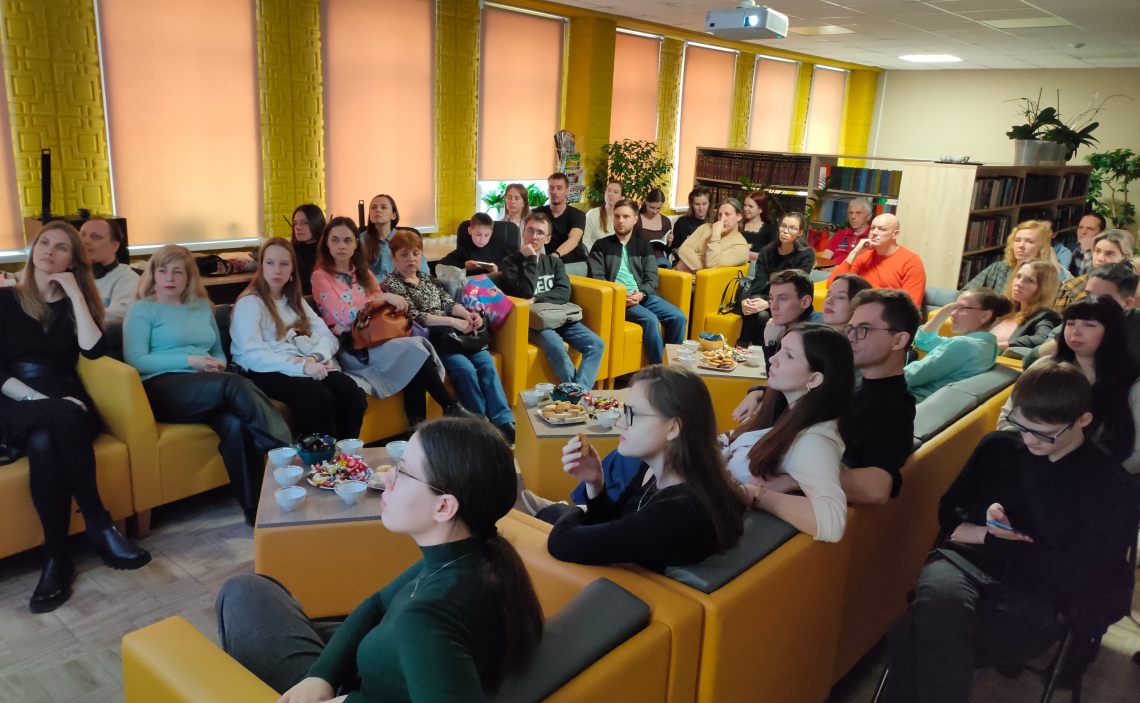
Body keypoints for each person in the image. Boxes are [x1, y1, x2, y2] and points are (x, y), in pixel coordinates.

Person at [216, 418, 545, 700]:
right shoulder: (470, 554)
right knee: (254, 588)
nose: (385, 477)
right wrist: (321, 675)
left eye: (402, 471)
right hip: (356, 679)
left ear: (444, 506)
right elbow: (376, 605)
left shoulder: (428, 619)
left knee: (241, 593)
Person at [886, 361, 1139, 703]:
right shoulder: (999, 448)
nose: (1029, 440)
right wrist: (986, 516)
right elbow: (950, 510)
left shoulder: (1112, 486)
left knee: (909, 633)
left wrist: (986, 537)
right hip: (965, 566)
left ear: (1083, 420)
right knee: (940, 599)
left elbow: (1080, 574)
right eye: (1022, 426)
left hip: (1037, 595)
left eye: (1045, 433)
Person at [1, 222, 151, 613]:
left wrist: (75, 294)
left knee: (44, 441)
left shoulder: (74, 302)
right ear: (33, 250)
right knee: (64, 417)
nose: (49, 251)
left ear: (72, 261)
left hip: (65, 392)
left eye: (61, 247)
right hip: (17, 398)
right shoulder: (5, 299)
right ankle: (99, 525)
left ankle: (57, 558)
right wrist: (40, 400)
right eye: (44, 243)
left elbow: (93, 351)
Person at [124, 245, 292, 526]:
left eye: (178, 271)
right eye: (163, 270)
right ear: (152, 274)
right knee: (234, 385)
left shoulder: (202, 306)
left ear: (189, 276)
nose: (170, 277)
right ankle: (286, 453)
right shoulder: (142, 309)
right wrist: (190, 361)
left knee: (236, 424)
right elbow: (136, 360)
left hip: (205, 384)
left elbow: (216, 350)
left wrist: (218, 364)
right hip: (162, 387)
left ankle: (255, 512)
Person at [543, 365, 745, 572]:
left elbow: (561, 542)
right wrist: (595, 483)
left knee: (549, 516)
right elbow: (616, 523)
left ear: (673, 428)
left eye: (633, 414)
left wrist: (580, 509)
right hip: (619, 572)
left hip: (622, 587)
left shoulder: (677, 514)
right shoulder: (656, 472)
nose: (621, 422)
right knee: (548, 511)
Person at [734, 288, 919, 506]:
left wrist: (794, 481)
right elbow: (808, 392)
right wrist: (759, 391)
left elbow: (877, 487)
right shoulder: (857, 385)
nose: (851, 337)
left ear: (899, 340)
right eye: (850, 328)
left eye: (864, 329)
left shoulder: (892, 406)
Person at [311, 218, 466, 429]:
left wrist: (370, 308)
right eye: (335, 240)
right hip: (352, 346)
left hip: (379, 337)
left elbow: (384, 308)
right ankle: (447, 407)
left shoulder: (364, 273)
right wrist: (375, 303)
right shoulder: (320, 277)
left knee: (413, 354)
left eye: (347, 240)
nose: (341, 246)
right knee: (414, 349)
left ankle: (419, 428)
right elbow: (342, 315)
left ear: (356, 243)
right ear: (327, 243)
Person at [382, 230, 516, 442]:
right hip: (433, 341)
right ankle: (480, 426)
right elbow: (414, 317)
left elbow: (448, 303)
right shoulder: (392, 284)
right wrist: (453, 322)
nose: (411, 259)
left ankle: (504, 420)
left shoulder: (428, 279)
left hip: (454, 335)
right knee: (465, 369)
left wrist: (468, 315)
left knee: (486, 363)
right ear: (393, 258)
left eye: (416, 253)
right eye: (404, 254)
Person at [723, 324, 852, 542]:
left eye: (789, 356)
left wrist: (756, 495)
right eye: (780, 349)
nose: (773, 359)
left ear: (814, 379)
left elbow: (833, 520)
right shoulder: (791, 409)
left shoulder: (814, 440)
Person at [230, 238, 367, 441]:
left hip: (301, 362)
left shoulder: (295, 301)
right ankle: (319, 457)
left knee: (351, 392)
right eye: (270, 263)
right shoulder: (250, 302)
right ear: (262, 266)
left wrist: (313, 358)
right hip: (262, 369)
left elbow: (329, 338)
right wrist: (302, 366)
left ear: (292, 268)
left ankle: (345, 454)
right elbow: (253, 355)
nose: (277, 270)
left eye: (284, 264)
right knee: (317, 396)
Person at [1000, 295, 1140, 473]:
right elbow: (1007, 419)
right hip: (1034, 465)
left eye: (1089, 325)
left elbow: (1137, 454)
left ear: (1112, 331)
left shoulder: (1133, 382)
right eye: (1071, 323)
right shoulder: (1044, 368)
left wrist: (1088, 476)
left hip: (1099, 475)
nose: (1075, 331)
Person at [494, 212, 605, 390]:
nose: (534, 236)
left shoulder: (554, 263)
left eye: (540, 232)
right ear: (523, 232)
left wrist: (537, 298)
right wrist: (531, 259)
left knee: (596, 344)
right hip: (533, 322)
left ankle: (577, 393)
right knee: (557, 347)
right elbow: (526, 290)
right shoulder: (511, 263)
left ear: (547, 239)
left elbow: (564, 293)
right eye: (530, 230)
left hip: (558, 316)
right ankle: (579, 395)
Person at [588, 199, 687, 365]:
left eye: (626, 216)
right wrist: (620, 295)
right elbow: (597, 277)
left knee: (678, 317)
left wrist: (642, 293)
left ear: (635, 219)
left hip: (643, 295)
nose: (620, 221)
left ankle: (672, 367)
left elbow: (652, 276)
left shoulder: (643, 246)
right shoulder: (601, 246)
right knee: (650, 320)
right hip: (618, 299)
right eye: (617, 216)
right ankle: (657, 370)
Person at [904, 289, 1009, 401]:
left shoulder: (962, 345)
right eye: (954, 307)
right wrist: (944, 312)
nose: (953, 313)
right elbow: (923, 341)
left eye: (963, 308)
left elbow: (911, 376)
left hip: (910, 401)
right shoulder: (989, 346)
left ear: (985, 315)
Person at [826, 213, 926, 306]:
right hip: (859, 311)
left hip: (890, 315)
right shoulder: (863, 256)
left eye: (882, 229)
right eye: (873, 228)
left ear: (895, 234)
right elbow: (832, 285)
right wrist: (854, 253)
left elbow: (911, 307)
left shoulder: (911, 261)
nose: (874, 233)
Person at [740, 212, 816, 322]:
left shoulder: (806, 254)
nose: (785, 231)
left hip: (790, 301)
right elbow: (759, 282)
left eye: (792, 228)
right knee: (752, 309)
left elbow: (794, 287)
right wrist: (747, 300)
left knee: (761, 315)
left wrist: (769, 302)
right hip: (766, 296)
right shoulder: (767, 251)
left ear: (800, 232)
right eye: (783, 226)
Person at [740, 269, 823, 356]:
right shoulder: (785, 324)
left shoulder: (814, 332)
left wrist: (771, 343)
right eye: (771, 298)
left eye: (782, 299)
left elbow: (774, 364)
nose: (773, 307)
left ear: (805, 302)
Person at [1055, 229, 1134, 312]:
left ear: (1125, 257)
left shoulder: (1133, 289)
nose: (1100, 258)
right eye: (1097, 251)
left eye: (1109, 254)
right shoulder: (1071, 287)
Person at [988, 260, 1059, 352]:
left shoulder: (1047, 316)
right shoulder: (1005, 310)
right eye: (1018, 276)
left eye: (1030, 280)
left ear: (1044, 288)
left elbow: (1042, 340)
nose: (1019, 283)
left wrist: (997, 345)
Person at [963, 220, 1051, 294]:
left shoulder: (1045, 277)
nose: (1021, 245)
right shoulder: (998, 268)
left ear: (1041, 247)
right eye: (1017, 240)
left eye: (1029, 241)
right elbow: (966, 293)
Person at [79, 217, 139, 324]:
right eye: (82, 235)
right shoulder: (71, 275)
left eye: (96, 237)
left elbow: (121, 314)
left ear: (114, 246)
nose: (85, 241)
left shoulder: (127, 278)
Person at [674, 198, 751, 275]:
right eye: (720, 214)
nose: (722, 219)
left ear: (739, 216)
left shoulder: (741, 246)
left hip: (698, 281)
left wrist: (716, 234)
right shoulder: (705, 228)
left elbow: (712, 265)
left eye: (727, 214)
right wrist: (700, 266)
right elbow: (683, 249)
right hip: (676, 274)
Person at [360, 194, 429, 280]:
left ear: (393, 215)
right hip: (372, 287)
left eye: (383, 207)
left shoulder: (405, 239)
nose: (378, 210)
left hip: (401, 286)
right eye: (373, 207)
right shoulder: (361, 240)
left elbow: (424, 274)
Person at [534, 173, 588, 273]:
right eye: (551, 188)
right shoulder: (537, 213)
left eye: (559, 188)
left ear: (567, 191)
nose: (554, 192)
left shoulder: (578, 215)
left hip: (570, 262)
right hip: (543, 262)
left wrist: (554, 256)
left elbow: (573, 240)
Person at [438, 212, 516, 274]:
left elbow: (514, 263)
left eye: (486, 235)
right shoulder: (464, 250)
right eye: (478, 234)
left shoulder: (498, 248)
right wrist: (464, 265)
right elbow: (442, 264)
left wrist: (498, 267)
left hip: (493, 284)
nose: (482, 239)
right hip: (470, 284)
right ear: (470, 231)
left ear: (491, 233)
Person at [633, 188, 673, 268]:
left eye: (658, 208)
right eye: (652, 207)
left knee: (665, 264)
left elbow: (668, 251)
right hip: (641, 258)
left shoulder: (665, 221)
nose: (655, 211)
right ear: (646, 202)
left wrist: (669, 242)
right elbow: (630, 245)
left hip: (660, 259)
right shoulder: (637, 220)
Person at [290, 204, 325, 296]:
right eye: (295, 223)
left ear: (316, 223)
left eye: (305, 223)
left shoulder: (328, 252)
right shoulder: (290, 252)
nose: (297, 227)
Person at [582, 180, 622, 252]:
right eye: (608, 190)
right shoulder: (592, 214)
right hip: (593, 255)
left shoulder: (622, 218)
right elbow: (584, 240)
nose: (610, 194)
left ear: (621, 197)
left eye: (615, 192)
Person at [671, 187, 712, 256]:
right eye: (697, 204)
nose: (701, 208)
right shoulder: (681, 222)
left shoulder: (715, 223)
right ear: (691, 204)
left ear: (709, 204)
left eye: (704, 204)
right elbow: (674, 248)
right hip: (684, 259)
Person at [741, 190, 777, 261]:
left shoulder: (769, 228)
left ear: (760, 209)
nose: (746, 209)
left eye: (750, 206)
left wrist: (752, 246)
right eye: (745, 205)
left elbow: (773, 248)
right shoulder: (739, 225)